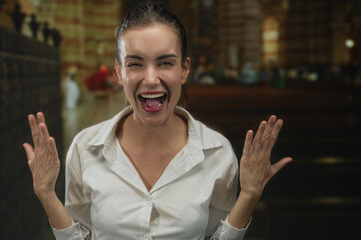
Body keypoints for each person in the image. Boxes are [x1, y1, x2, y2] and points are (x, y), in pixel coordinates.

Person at [23, 2, 292, 240]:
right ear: (118, 72)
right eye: (135, 64)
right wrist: (46, 194)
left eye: (165, 63)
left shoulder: (217, 153)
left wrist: (249, 195)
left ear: (184, 69)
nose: (151, 79)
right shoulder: (85, 148)